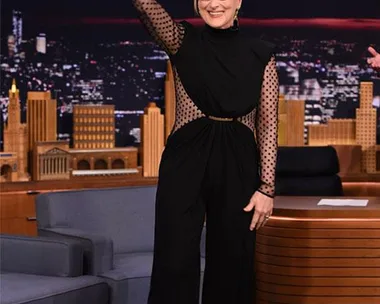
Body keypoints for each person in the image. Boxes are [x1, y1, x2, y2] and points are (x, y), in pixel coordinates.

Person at [132, 0, 279, 303]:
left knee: (234, 260)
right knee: (173, 258)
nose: (214, 4)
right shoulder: (181, 39)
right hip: (186, 157)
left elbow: (267, 125)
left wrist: (267, 188)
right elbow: (147, 8)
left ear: (238, 1)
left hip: (239, 160)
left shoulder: (261, 54)